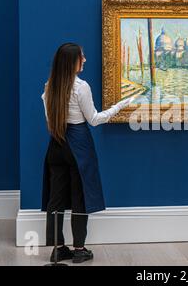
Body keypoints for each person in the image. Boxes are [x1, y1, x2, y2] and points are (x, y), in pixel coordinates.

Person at [41, 43, 134, 263]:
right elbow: (93, 119)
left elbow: (49, 120)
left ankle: (58, 248)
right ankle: (80, 249)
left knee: (56, 199)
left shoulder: (48, 86)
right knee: (79, 197)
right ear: (71, 61)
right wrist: (118, 107)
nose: (84, 60)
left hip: (55, 144)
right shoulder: (81, 87)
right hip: (78, 144)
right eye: (81, 57)